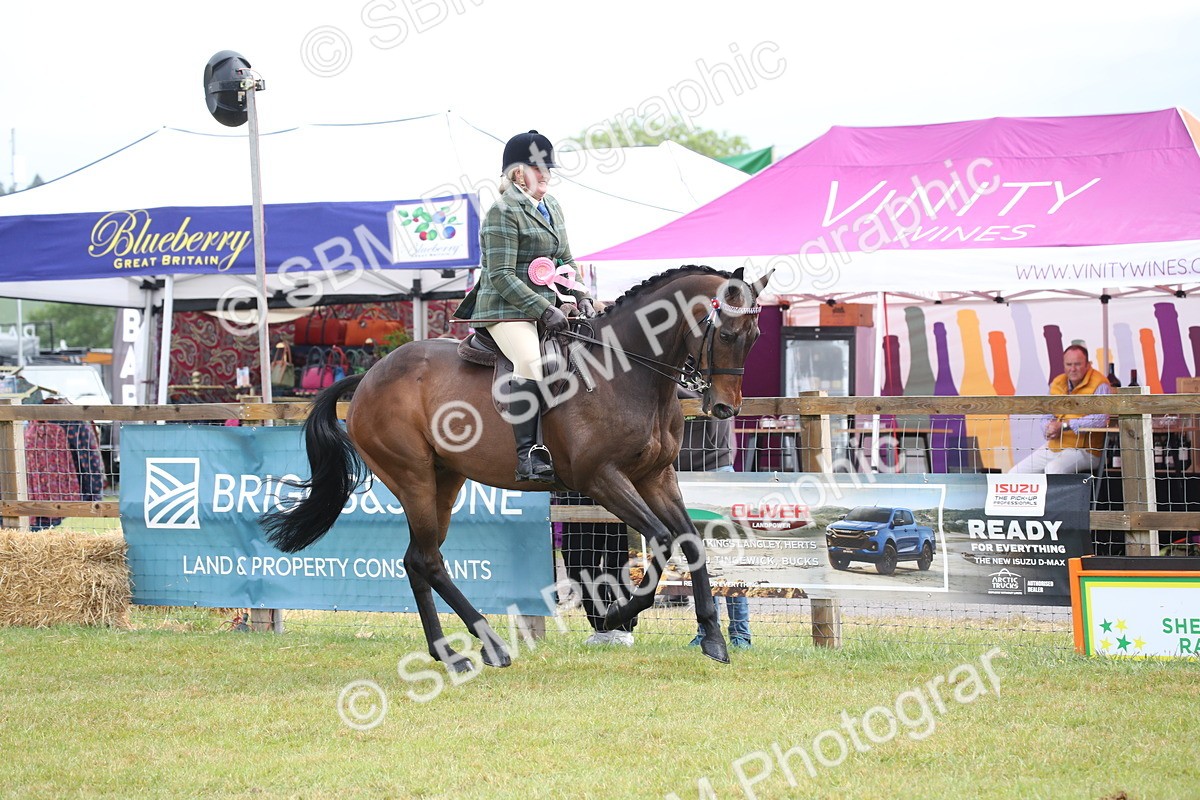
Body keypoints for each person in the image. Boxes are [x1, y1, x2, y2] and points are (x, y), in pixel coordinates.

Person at [452, 130, 594, 483]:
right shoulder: (503, 212)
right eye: (539, 168)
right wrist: (543, 309)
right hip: (505, 307)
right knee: (531, 361)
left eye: (548, 168)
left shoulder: (553, 206)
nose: (546, 175)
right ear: (518, 174)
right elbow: (499, 274)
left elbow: (564, 257)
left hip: (549, 302)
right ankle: (527, 455)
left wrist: (581, 294)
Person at [676, 386, 752, 649]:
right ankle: (707, 629)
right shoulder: (677, 365)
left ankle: (741, 632)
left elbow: (717, 400)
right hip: (679, 473)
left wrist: (675, 388)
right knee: (698, 558)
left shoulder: (714, 370)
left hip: (718, 469)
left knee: (730, 557)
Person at [1009, 344, 1112, 474]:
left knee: (1053, 469)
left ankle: (1053, 495)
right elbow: (1047, 415)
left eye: (1077, 364)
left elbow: (1100, 419)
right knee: (1015, 473)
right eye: (1069, 364)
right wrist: (1048, 428)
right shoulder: (1058, 382)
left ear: (1088, 364)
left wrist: (1064, 425)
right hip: (1055, 446)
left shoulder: (1099, 383)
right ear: (1064, 365)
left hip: (1086, 450)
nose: (1073, 369)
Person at [556, 491, 638, 646]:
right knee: (577, 563)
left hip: (621, 490)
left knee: (619, 562)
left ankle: (622, 629)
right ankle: (602, 628)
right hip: (577, 490)